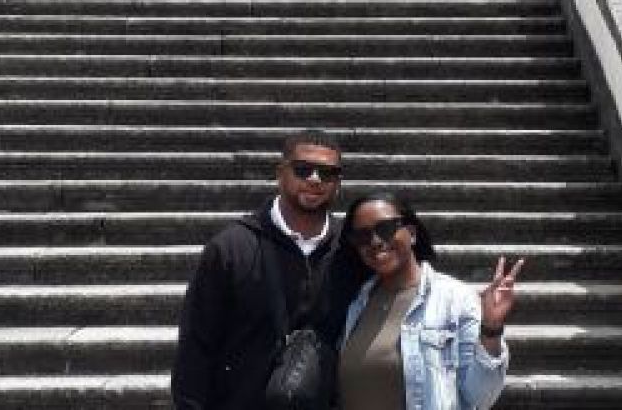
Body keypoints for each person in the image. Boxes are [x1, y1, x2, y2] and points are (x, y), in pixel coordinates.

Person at [172, 130, 365, 410]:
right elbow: (196, 345)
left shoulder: (352, 250)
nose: (314, 180)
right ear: (281, 173)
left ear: (338, 183)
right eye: (303, 169)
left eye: (327, 173)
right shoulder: (231, 248)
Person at [337, 191, 523, 410]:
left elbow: (480, 398)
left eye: (385, 229)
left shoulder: (455, 299)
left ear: (412, 233)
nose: (375, 241)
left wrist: (491, 329)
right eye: (362, 236)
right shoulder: (358, 301)